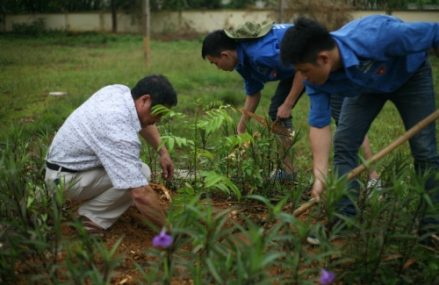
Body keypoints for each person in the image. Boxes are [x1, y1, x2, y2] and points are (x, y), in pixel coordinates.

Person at [280, 15, 439, 241]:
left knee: (425, 150)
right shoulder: (316, 79)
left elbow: (434, 33)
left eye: (305, 71)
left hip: (410, 76)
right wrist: (320, 175)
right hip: (366, 86)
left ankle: (430, 228)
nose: (304, 78)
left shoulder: (378, 36)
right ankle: (344, 222)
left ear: (324, 58)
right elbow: (319, 123)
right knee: (344, 143)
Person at [201, 23, 380, 184]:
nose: (218, 67)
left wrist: (288, 103)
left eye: (215, 63)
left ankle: (373, 176)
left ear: (224, 54)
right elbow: (253, 93)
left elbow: (302, 68)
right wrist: (242, 126)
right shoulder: (242, 62)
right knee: (276, 114)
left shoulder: (261, 54)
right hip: (294, 71)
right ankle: (288, 172)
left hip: (316, 65)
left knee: (345, 119)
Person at [45, 74, 177, 235]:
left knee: (137, 171)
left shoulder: (119, 92)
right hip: (64, 181)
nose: (158, 120)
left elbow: (143, 120)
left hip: (65, 169)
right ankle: (89, 219)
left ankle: (99, 205)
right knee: (138, 175)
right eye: (159, 113)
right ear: (144, 100)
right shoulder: (117, 129)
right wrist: (168, 229)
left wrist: (163, 151)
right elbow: (140, 193)